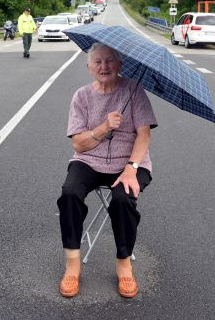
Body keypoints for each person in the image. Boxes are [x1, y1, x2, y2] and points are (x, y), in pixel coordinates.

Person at [57, 42, 157, 299]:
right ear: (89, 68)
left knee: (123, 199)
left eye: (110, 60)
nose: (105, 66)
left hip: (130, 162)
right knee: (69, 194)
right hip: (89, 160)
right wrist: (103, 128)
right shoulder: (81, 96)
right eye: (98, 62)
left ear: (120, 65)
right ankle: (72, 263)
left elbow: (144, 136)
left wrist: (131, 169)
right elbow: (78, 143)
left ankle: (124, 263)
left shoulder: (134, 90)